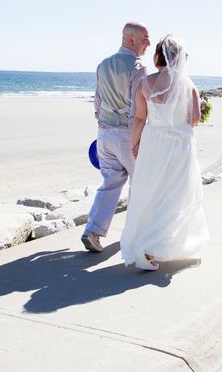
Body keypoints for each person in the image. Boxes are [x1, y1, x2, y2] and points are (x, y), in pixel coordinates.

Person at [120, 35, 209, 271]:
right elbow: (194, 120)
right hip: (179, 145)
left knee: (151, 190)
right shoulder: (189, 86)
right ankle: (152, 247)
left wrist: (134, 144)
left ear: (159, 55)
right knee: (175, 194)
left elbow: (140, 118)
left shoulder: (146, 83)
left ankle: (147, 243)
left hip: (153, 142)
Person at [81, 22, 150, 253]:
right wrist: (137, 138)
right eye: (144, 39)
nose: (148, 44)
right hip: (127, 134)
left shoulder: (103, 65)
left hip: (104, 133)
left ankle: (93, 230)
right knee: (139, 183)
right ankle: (136, 234)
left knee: (109, 183)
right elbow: (138, 109)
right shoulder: (138, 68)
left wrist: (102, 125)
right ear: (131, 40)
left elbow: (98, 101)